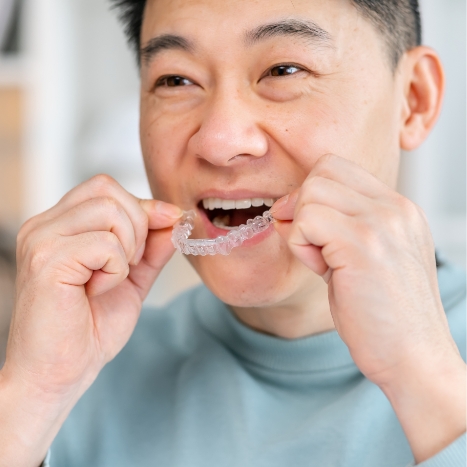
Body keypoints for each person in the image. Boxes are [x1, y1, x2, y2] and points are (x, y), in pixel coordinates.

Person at [0, 0, 465, 465]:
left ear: (414, 99)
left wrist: (427, 382)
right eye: (175, 80)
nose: (219, 142)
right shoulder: (80, 377)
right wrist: (30, 398)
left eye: (283, 70)